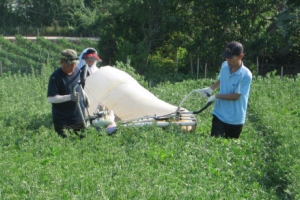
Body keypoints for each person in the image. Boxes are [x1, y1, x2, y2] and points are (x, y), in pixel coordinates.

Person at [198, 41, 252, 139]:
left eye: (230, 58)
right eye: (226, 57)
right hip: (219, 114)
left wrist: (217, 96)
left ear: (240, 56)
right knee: (215, 145)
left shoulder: (246, 75)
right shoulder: (225, 65)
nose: (227, 60)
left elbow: (236, 96)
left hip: (235, 119)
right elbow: (221, 80)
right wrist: (210, 89)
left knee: (229, 149)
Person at [47, 49, 87, 138]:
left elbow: (79, 86)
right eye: (70, 64)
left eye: (75, 63)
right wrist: (69, 97)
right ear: (62, 62)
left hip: (79, 118)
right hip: (63, 122)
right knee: (66, 147)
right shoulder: (55, 77)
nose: (73, 66)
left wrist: (85, 96)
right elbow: (51, 98)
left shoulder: (76, 70)